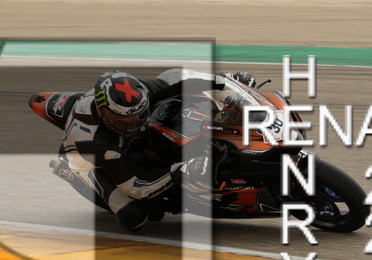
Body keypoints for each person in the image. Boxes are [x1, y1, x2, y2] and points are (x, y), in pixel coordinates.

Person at [56, 69, 256, 231]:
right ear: (105, 115)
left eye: (139, 115)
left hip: (120, 139)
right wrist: (182, 170)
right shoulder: (101, 143)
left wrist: (224, 81)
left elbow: (175, 79)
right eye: (125, 121)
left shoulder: (138, 93)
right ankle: (64, 168)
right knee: (136, 215)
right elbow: (136, 186)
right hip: (84, 160)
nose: (136, 123)